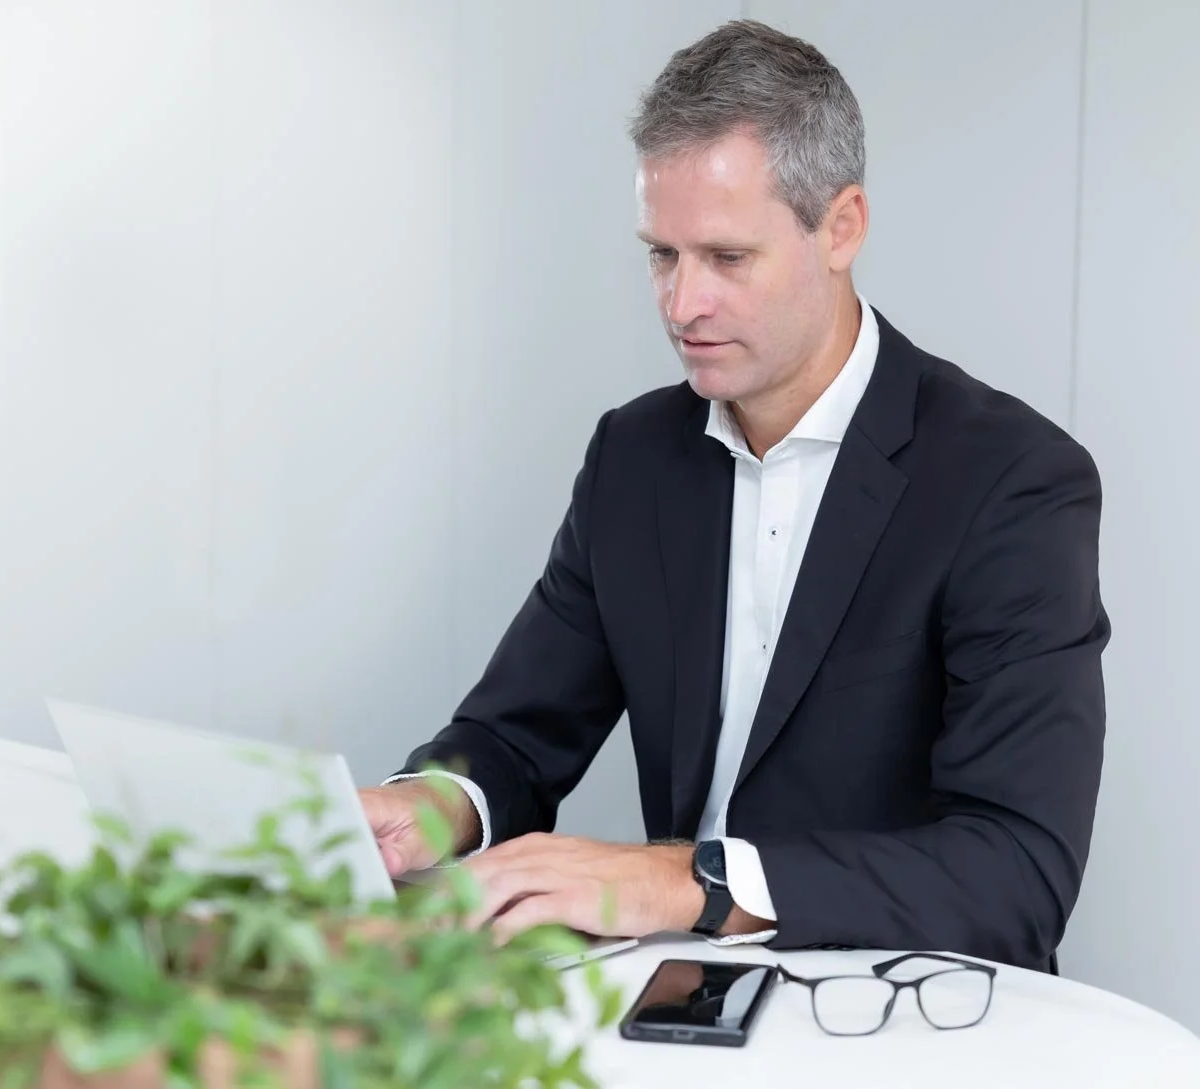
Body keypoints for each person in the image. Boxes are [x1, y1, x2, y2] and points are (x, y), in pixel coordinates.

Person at [358, 20, 1107, 973]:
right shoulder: (633, 456)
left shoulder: (1009, 479)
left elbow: (1017, 871)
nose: (681, 305)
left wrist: (692, 881)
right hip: (675, 1009)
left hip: (895, 1021)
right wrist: (435, 804)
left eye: (726, 258)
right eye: (662, 256)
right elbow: (514, 735)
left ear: (842, 227)